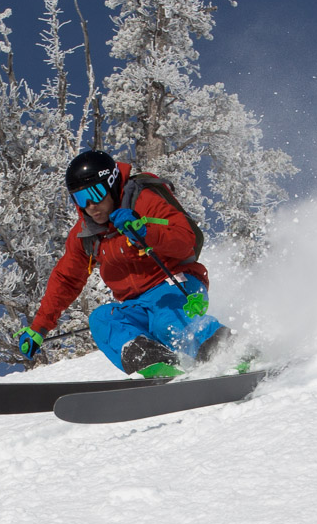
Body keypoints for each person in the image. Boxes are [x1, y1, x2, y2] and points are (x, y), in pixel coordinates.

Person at [18, 150, 229, 377]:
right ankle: (158, 366)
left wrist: (146, 232)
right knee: (102, 320)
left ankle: (227, 353)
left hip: (175, 286)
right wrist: (38, 328)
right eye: (81, 198)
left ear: (110, 184)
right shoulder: (87, 235)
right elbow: (66, 279)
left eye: (95, 193)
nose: (90, 205)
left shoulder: (144, 201)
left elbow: (185, 240)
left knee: (164, 321)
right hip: (137, 305)